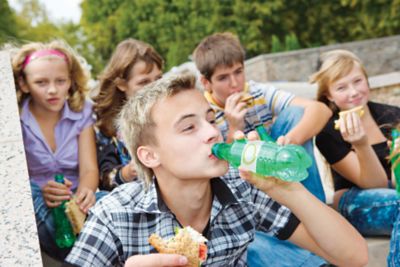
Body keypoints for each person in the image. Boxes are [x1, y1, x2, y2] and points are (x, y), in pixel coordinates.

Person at [65, 74, 368, 267]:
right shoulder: (116, 215)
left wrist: (287, 190)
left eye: (211, 119)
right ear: (149, 155)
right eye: (188, 127)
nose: (212, 132)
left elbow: (353, 256)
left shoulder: (243, 187)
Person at [192, 32, 332, 266]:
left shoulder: (255, 91)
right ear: (206, 82)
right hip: (246, 191)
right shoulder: (203, 112)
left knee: (295, 115)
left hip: (277, 169)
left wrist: (289, 142)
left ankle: (315, 217)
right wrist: (233, 126)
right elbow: (219, 172)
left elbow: (320, 110)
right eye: (223, 78)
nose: (235, 83)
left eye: (238, 72)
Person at [11, 40, 102, 260]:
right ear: (24, 84)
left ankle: (81, 255)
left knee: (111, 201)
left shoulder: (82, 112)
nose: (53, 90)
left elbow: (89, 170)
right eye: (41, 82)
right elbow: (16, 179)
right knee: (32, 200)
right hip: (38, 201)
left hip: (76, 198)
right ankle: (86, 255)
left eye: (60, 81)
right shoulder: (16, 119)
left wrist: (86, 193)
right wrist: (43, 192)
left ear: (70, 81)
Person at [310, 49, 400, 266]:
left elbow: (395, 182)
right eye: (341, 87)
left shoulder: (393, 115)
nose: (353, 92)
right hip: (354, 201)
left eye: (358, 81)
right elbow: (374, 184)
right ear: (329, 95)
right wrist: (361, 144)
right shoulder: (328, 132)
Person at [93, 39, 163, 191]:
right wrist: (128, 171)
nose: (154, 88)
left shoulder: (172, 112)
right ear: (121, 84)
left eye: (158, 79)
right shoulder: (110, 128)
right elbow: (104, 179)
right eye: (144, 82)